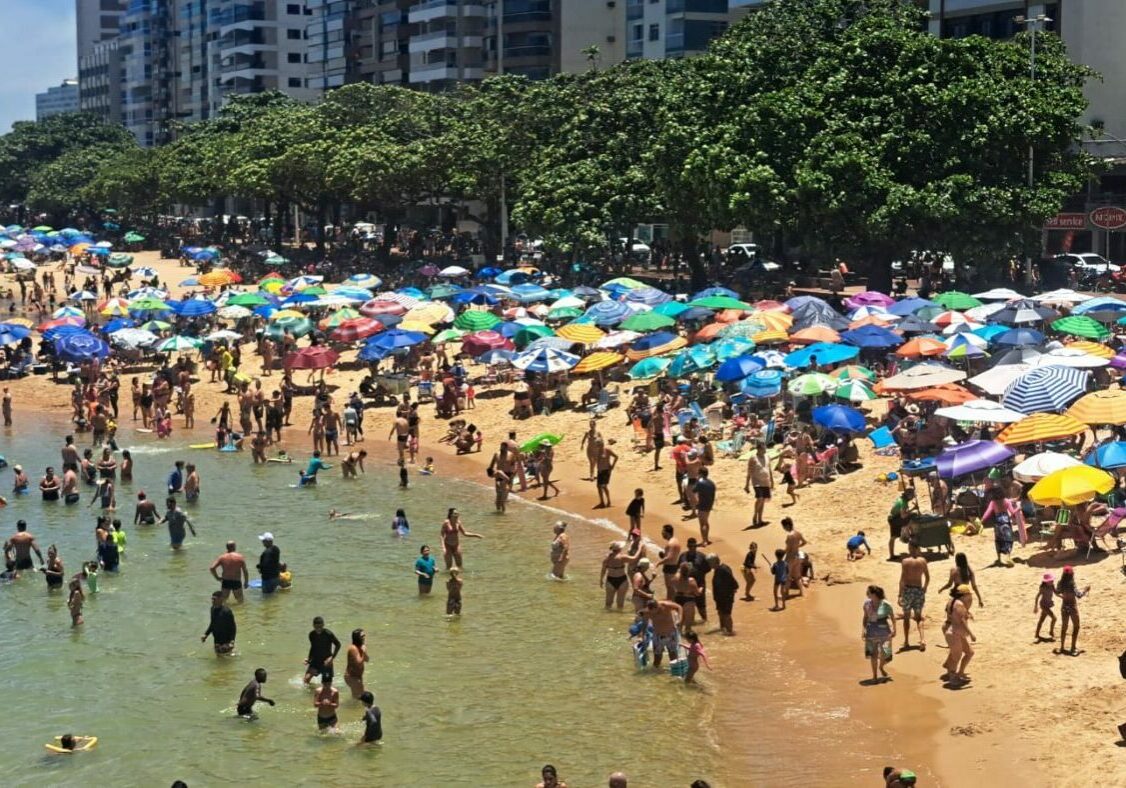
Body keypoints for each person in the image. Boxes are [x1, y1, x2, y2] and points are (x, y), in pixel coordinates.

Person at [898, 541, 929, 651]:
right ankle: (923, 639)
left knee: (906, 617)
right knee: (918, 617)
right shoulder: (923, 561)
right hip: (918, 590)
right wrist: (924, 588)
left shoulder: (905, 561)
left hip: (908, 590)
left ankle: (906, 641)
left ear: (910, 548)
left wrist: (900, 595)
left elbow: (902, 579)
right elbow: (927, 577)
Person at [941, 585, 976, 684]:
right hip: (954, 634)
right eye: (968, 595)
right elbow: (962, 621)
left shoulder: (952, 601)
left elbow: (954, 614)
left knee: (969, 652)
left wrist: (967, 613)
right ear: (964, 595)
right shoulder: (960, 604)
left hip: (956, 632)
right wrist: (971, 634)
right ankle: (952, 678)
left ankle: (959, 672)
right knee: (957, 656)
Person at [862, 585, 896, 683]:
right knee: (873, 655)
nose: (866, 594)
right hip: (871, 631)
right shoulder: (866, 604)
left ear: (874, 594)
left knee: (886, 654)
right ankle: (875, 676)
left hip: (885, 632)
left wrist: (894, 630)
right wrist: (863, 630)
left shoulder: (886, 604)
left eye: (868, 592)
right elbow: (865, 617)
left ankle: (881, 667)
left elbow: (893, 617)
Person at [1055, 565, 1090, 656]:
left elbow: (1057, 591)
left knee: (1064, 627)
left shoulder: (1060, 583)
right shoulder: (1072, 584)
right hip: (1072, 607)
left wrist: (1062, 596)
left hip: (1064, 607)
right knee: (1076, 626)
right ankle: (1073, 648)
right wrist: (1085, 590)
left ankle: (1062, 647)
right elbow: (1079, 595)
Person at [641, 598, 683, 670]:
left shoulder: (665, 605)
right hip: (658, 636)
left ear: (657, 607)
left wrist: (679, 619)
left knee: (673, 656)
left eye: (653, 611)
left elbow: (679, 607)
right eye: (650, 610)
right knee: (657, 658)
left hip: (671, 634)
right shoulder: (647, 612)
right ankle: (655, 674)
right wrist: (642, 636)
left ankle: (675, 672)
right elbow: (644, 624)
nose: (652, 612)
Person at [982, 486, 1017, 567]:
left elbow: (988, 512)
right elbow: (1012, 512)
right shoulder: (1006, 501)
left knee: (998, 540)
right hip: (1006, 522)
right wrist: (1018, 508)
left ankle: (999, 558)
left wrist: (982, 520)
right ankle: (1008, 556)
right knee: (1008, 539)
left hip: (998, 522)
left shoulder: (993, 502)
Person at [743, 440, 773, 528]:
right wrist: (746, 485)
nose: (765, 450)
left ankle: (760, 519)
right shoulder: (753, 458)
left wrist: (772, 481)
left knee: (763, 500)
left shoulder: (767, 457)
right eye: (763, 448)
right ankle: (755, 515)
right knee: (759, 498)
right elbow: (749, 472)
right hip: (757, 481)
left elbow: (769, 469)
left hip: (766, 481)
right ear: (759, 449)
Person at [708, 554, 739, 635]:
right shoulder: (718, 569)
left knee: (726, 614)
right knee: (721, 613)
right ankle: (723, 629)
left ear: (714, 562)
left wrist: (732, 590)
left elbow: (733, 582)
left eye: (709, 563)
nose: (709, 565)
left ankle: (730, 632)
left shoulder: (723, 569)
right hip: (720, 597)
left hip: (726, 597)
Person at [887, 488, 916, 560]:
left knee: (893, 537)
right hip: (895, 519)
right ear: (909, 495)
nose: (913, 497)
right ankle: (909, 534)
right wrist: (913, 510)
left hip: (893, 518)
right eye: (912, 495)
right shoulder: (903, 502)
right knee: (912, 518)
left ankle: (891, 555)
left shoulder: (901, 499)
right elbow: (903, 515)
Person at [600, 542, 630, 609]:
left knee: (608, 604)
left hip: (610, 580)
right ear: (619, 549)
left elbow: (603, 570)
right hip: (622, 580)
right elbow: (634, 558)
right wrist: (640, 549)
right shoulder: (622, 557)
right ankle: (620, 618)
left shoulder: (607, 558)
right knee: (620, 605)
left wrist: (601, 580)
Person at [655, 524, 682, 598]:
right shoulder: (675, 540)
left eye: (663, 532)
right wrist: (663, 555)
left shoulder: (671, 543)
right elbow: (672, 556)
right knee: (672, 587)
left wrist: (658, 563)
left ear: (667, 532)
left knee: (670, 588)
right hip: (673, 566)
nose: (662, 534)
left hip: (670, 568)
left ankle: (670, 604)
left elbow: (670, 557)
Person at [782, 517, 806, 597]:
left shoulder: (789, 536)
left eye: (784, 527)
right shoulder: (798, 533)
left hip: (790, 558)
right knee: (797, 576)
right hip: (797, 556)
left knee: (788, 576)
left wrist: (780, 555)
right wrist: (797, 546)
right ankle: (802, 593)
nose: (784, 528)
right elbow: (804, 542)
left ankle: (786, 593)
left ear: (787, 525)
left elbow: (787, 549)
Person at [693, 468, 716, 546]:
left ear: (701, 474)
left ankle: (704, 541)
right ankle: (706, 539)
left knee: (702, 523)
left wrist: (697, 502)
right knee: (706, 522)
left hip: (702, 504)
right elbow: (713, 496)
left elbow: (693, 491)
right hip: (709, 504)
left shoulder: (699, 482)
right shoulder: (712, 483)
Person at [344, 629, 369, 699]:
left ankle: (353, 709)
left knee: (356, 697)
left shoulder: (362, 646)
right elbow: (358, 663)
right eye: (362, 636)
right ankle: (358, 709)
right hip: (351, 677)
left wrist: (364, 651)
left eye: (364, 635)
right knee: (364, 696)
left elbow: (367, 660)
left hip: (358, 677)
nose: (364, 637)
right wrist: (363, 652)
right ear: (357, 638)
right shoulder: (353, 649)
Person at [594, 439, 618, 508]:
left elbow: (616, 457)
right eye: (597, 444)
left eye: (599, 444)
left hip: (606, 470)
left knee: (603, 486)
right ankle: (602, 502)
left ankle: (608, 501)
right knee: (599, 486)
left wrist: (612, 466)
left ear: (602, 444)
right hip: (600, 471)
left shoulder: (607, 450)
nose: (597, 446)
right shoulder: (597, 451)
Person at [1034, 572, 1057, 643]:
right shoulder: (1042, 588)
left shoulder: (1052, 585)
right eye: (1051, 580)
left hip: (1048, 604)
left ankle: (1037, 634)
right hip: (1043, 605)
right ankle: (1051, 632)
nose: (1052, 581)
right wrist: (1035, 606)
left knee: (1042, 619)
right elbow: (1037, 596)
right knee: (1054, 618)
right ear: (1046, 582)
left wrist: (1063, 597)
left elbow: (1056, 593)